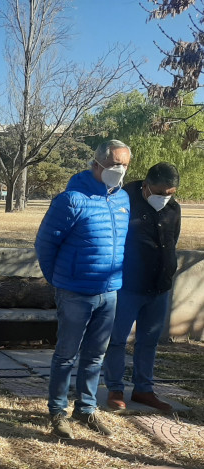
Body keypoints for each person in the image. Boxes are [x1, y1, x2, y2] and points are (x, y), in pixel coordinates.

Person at [35, 139, 132, 439]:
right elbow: (45, 243)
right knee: (66, 354)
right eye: (115, 164)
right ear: (97, 164)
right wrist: (59, 279)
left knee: (95, 355)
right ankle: (57, 410)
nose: (120, 170)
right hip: (74, 291)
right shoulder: (71, 199)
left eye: (125, 165)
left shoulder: (123, 199)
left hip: (109, 291)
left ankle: (86, 408)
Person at [103, 162, 181, 412]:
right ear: (146, 186)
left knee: (149, 341)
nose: (164, 198)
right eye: (160, 193)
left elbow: (172, 242)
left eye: (170, 194)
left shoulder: (174, 209)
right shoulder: (123, 202)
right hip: (127, 285)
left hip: (159, 287)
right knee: (117, 340)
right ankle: (115, 388)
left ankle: (143, 389)